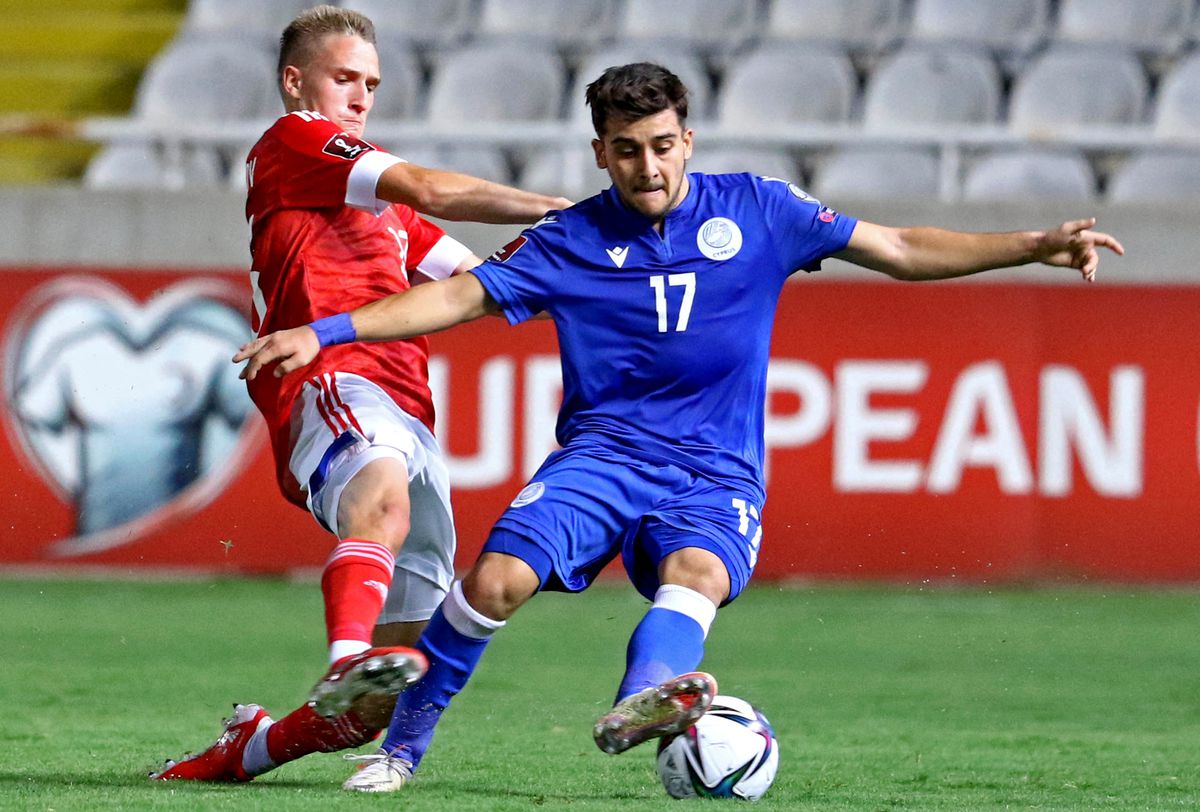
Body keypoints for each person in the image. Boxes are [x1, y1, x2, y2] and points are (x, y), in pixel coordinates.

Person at [234, 62, 1125, 793]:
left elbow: (896, 249)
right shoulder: (570, 239)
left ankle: (642, 704)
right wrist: (326, 329)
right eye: (626, 152)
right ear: (601, 153)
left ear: (687, 140)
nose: (648, 168)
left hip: (715, 469)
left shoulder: (760, 209)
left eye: (663, 146)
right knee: (497, 580)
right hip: (603, 457)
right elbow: (455, 298)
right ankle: (400, 749)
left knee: (695, 572)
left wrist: (1029, 244)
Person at [152, 5, 569, 783]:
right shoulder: (295, 141)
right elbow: (432, 187)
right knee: (380, 503)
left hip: (408, 404)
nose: (360, 94)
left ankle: (251, 747)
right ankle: (347, 658)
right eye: (345, 77)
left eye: (371, 83)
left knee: (390, 682)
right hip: (330, 378)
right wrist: (563, 206)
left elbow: (482, 283)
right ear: (296, 81)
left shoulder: (384, 211)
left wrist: (597, 262)